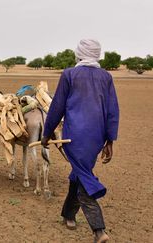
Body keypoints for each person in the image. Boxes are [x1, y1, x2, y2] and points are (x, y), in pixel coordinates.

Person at [41, 39, 119, 243]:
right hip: (96, 138)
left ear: (80, 54)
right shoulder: (106, 77)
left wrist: (46, 134)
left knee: (83, 176)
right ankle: (69, 215)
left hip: (73, 137)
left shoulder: (69, 74)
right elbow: (112, 111)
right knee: (80, 171)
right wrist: (110, 140)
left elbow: (57, 106)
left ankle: (98, 231)